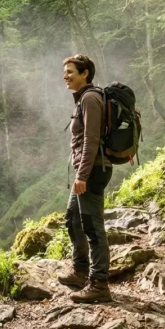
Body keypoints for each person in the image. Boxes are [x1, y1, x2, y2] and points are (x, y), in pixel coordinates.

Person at [57, 54, 113, 303]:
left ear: (85, 73)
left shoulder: (90, 98)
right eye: (65, 72)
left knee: (92, 226)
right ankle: (80, 271)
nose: (65, 76)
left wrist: (82, 175)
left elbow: (91, 140)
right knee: (73, 219)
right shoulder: (83, 99)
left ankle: (99, 284)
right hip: (88, 169)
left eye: (70, 72)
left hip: (92, 171)